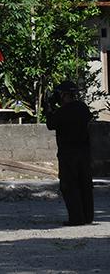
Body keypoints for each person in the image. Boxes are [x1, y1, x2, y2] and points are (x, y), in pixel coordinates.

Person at [45, 81, 94, 226]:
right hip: (84, 152)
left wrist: (48, 108)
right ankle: (87, 216)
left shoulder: (63, 111)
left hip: (68, 154)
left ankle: (76, 218)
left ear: (64, 95)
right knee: (85, 184)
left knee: (69, 185)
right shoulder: (83, 108)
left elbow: (50, 124)